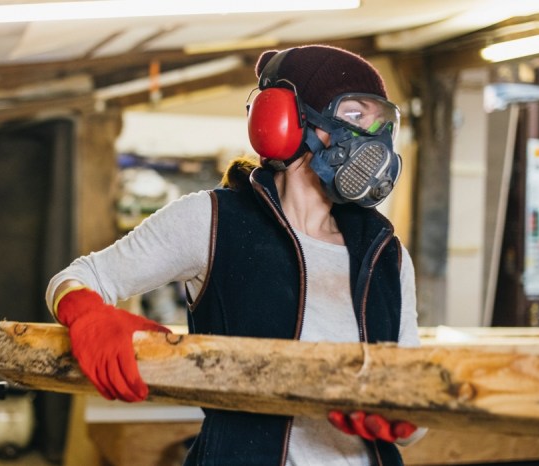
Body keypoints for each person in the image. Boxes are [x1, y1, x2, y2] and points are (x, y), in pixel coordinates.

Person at [46, 44, 422, 466]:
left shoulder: (386, 253)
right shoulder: (212, 221)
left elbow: (412, 404)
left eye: (380, 123)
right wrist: (87, 314)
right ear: (284, 120)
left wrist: (408, 415)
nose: (372, 140)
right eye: (355, 116)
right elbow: (80, 276)